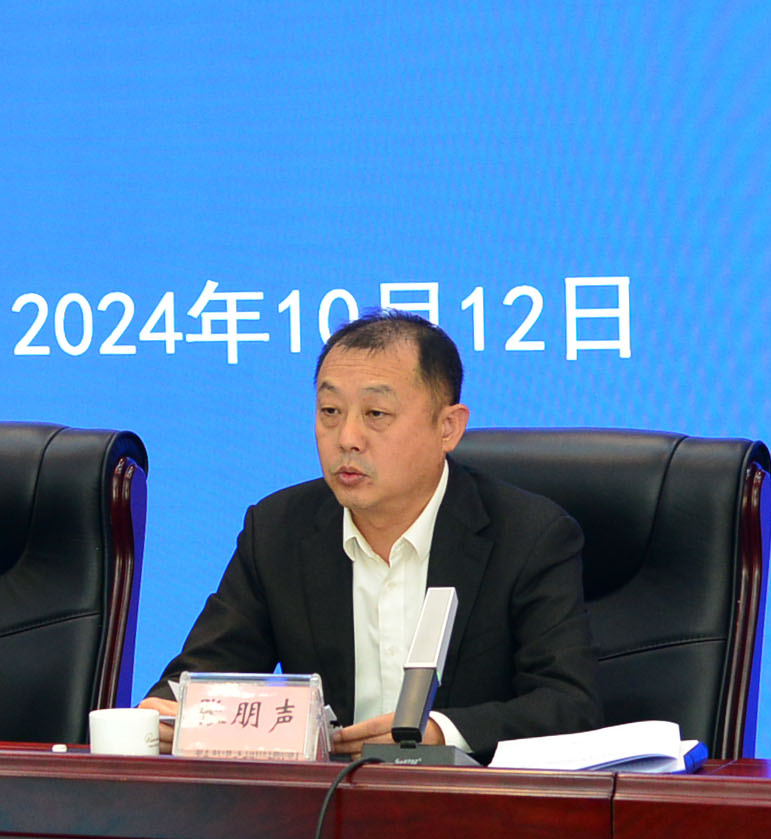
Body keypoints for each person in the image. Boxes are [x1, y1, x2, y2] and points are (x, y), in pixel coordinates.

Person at [148, 313, 599, 756]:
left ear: (448, 428)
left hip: (471, 797)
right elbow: (202, 674)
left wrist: (440, 733)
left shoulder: (529, 535)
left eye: (376, 413)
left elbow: (570, 706)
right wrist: (167, 715)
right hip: (328, 799)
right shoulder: (278, 530)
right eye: (330, 412)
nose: (347, 437)